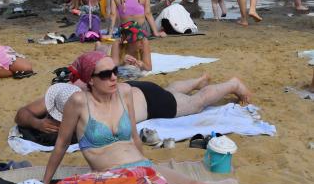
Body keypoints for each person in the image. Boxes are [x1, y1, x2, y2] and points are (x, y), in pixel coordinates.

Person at [43, 53, 291, 184]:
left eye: (115, 71)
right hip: (113, 175)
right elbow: (61, 144)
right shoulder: (78, 102)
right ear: (90, 80)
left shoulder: (124, 92)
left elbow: (135, 138)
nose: (113, 78)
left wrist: (151, 166)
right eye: (105, 75)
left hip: (139, 165)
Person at [15, 56, 251, 144]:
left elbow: (21, 115)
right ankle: (198, 80)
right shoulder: (63, 97)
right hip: (135, 90)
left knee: (195, 104)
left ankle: (233, 84)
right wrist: (36, 123)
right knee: (169, 91)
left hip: (146, 101)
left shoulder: (70, 103)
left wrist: (36, 125)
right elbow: (23, 112)